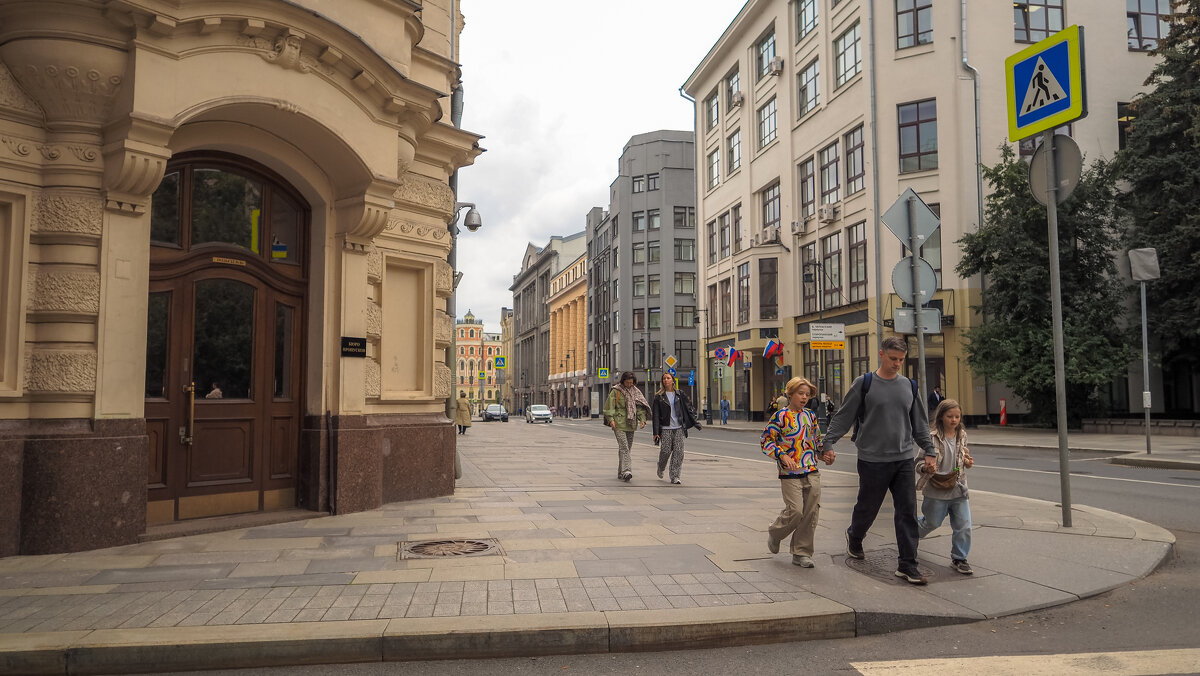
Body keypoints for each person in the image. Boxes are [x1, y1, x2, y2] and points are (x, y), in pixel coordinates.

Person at [823, 335, 936, 585]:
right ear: (881, 354)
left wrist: (929, 450)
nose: (897, 364)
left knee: (907, 511)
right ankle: (855, 535)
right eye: (893, 358)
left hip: (904, 459)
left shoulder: (909, 386)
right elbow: (844, 416)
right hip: (872, 459)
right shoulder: (865, 383)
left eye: (901, 360)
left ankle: (907, 564)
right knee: (868, 507)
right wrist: (828, 442)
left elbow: (919, 423)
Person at [762, 377, 835, 568]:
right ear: (790, 394)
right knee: (795, 511)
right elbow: (766, 441)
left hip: (811, 469)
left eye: (807, 395)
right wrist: (782, 456)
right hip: (790, 472)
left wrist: (824, 454)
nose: (804, 398)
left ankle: (801, 553)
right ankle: (775, 532)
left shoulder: (810, 416)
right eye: (800, 394)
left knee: (810, 513)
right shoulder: (780, 416)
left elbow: (816, 440)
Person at [917, 398, 975, 575]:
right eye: (950, 416)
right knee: (931, 523)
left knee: (964, 525)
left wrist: (966, 462)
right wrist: (925, 467)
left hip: (958, 486)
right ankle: (910, 534)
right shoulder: (930, 437)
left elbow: (962, 457)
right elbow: (918, 463)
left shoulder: (962, 435)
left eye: (957, 416)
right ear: (941, 417)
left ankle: (959, 558)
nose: (954, 420)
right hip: (936, 488)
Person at [651, 372, 702, 485]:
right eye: (664, 378)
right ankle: (661, 466)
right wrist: (655, 432)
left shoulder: (680, 394)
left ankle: (675, 476)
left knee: (678, 452)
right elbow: (655, 415)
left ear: (673, 380)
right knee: (665, 451)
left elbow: (688, 409)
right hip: (665, 428)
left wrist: (695, 423)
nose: (666, 380)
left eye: (668, 378)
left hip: (679, 427)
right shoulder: (659, 397)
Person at [602, 371, 650, 482]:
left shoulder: (636, 391)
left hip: (631, 423)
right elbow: (609, 406)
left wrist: (642, 419)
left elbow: (639, 407)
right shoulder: (616, 390)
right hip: (618, 423)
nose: (629, 385)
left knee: (626, 448)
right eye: (627, 382)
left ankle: (621, 472)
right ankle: (627, 471)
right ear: (623, 381)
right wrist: (611, 420)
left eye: (631, 383)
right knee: (624, 447)